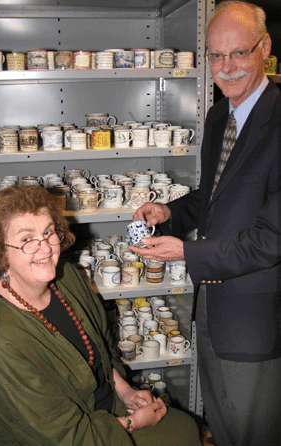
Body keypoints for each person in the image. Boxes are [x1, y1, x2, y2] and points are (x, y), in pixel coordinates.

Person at [129, 2, 281, 445]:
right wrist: (171, 213)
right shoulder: (220, 116)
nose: (227, 67)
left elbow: (271, 240)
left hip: (254, 322)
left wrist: (185, 252)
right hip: (210, 312)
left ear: (264, 47)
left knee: (253, 432)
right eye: (216, 56)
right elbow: (213, 198)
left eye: (239, 53)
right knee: (224, 424)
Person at [0, 185, 201, 446]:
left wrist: (126, 392)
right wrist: (133, 423)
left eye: (49, 232)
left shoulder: (66, 277)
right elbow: (64, 436)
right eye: (27, 239)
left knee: (183, 426)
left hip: (100, 409)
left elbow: (101, 347)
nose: (46, 248)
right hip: (57, 437)